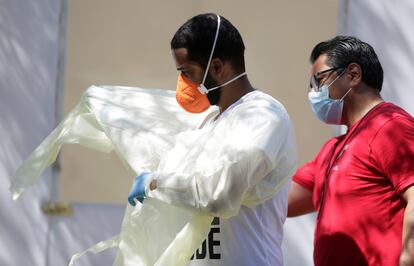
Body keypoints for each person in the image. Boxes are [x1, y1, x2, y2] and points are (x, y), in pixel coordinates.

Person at [127, 13, 297, 265]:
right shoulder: (207, 123)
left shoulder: (263, 116)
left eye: (187, 72)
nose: (183, 84)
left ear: (217, 67)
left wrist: (156, 183)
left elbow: (220, 192)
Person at [287, 35, 414, 266]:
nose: (313, 93)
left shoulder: (390, 125)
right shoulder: (332, 149)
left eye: (319, 80)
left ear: (353, 74)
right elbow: (279, 201)